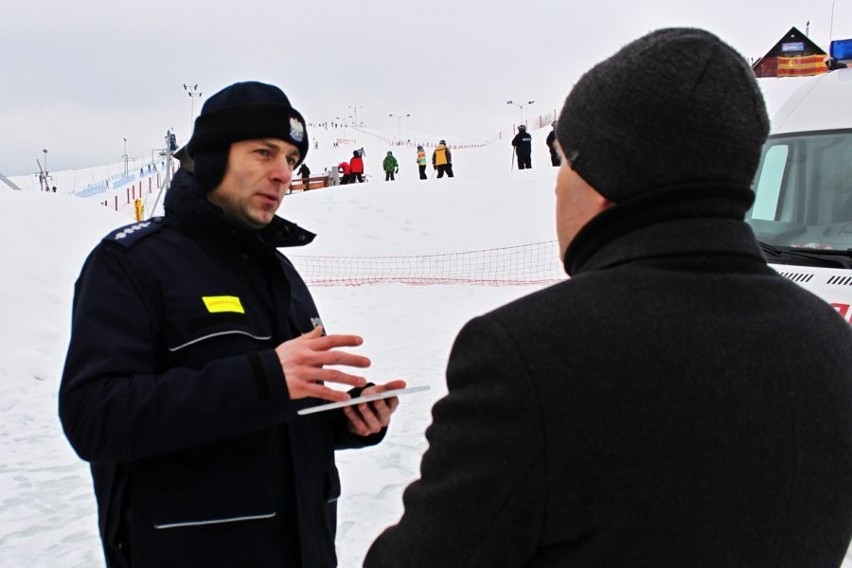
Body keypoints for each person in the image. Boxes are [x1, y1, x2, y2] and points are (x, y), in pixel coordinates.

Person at [365, 28, 852, 567]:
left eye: (562, 170)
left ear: (599, 179)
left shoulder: (528, 354)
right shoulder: (833, 343)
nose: (556, 192)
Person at [59, 81, 405, 568]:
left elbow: (273, 409)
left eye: (291, 159)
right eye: (265, 152)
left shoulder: (280, 272)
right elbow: (93, 418)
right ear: (214, 158)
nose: (284, 174)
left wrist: (343, 419)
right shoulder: (131, 264)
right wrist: (264, 378)